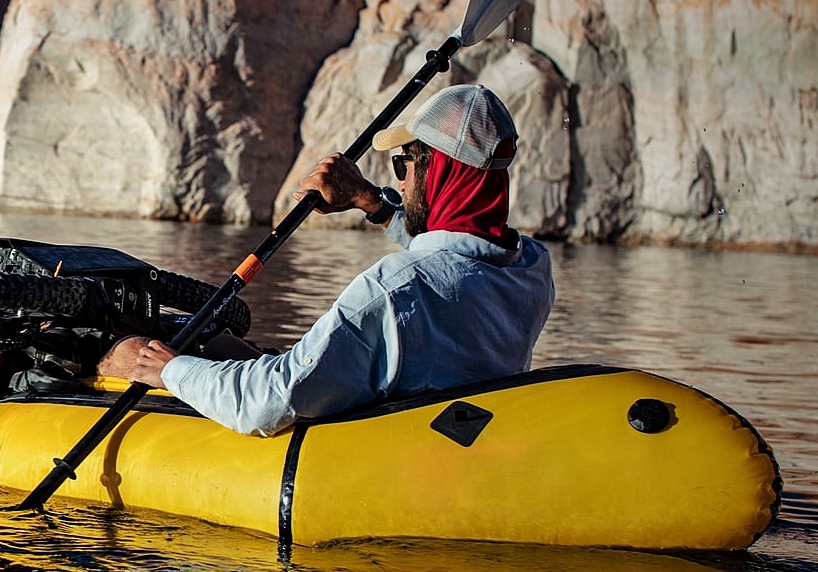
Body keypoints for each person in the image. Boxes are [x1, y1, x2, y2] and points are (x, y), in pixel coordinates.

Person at [97, 84, 554, 435]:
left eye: (404, 165)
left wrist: (168, 370)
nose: (402, 177)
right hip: (452, 429)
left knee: (134, 351)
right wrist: (369, 200)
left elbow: (268, 403)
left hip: (374, 443)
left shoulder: (395, 286)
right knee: (221, 346)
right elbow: (455, 255)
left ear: (436, 170)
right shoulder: (531, 267)